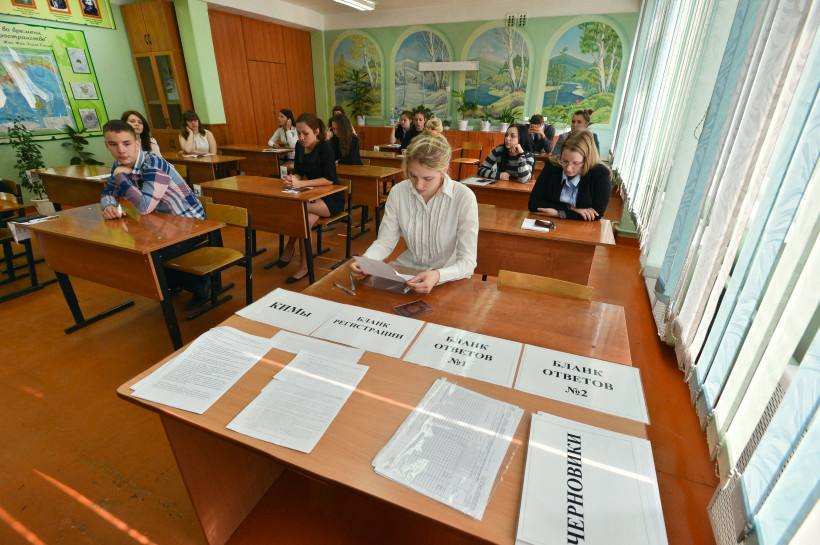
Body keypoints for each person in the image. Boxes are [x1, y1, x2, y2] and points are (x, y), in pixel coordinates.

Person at [350, 133, 478, 294]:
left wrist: (438, 275)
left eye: (428, 178)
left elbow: (467, 262)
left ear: (444, 169)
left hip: (448, 276)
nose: (418, 185)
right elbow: (385, 241)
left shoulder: (464, 197)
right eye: (413, 176)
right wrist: (367, 261)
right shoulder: (398, 192)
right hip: (406, 271)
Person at [99, 120, 208, 304]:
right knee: (140, 248)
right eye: (113, 144)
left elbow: (144, 206)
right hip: (160, 220)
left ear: (137, 143)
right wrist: (109, 205)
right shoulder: (119, 165)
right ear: (107, 145)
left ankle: (200, 288)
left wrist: (120, 176)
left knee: (155, 253)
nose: (121, 150)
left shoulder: (153, 163)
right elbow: (108, 192)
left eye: (126, 143)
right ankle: (171, 284)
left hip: (190, 222)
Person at [278, 113, 345, 282]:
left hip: (331, 198)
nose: (301, 137)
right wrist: (293, 179)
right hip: (312, 195)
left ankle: (292, 249)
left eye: (305, 133)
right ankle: (304, 264)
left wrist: (300, 183)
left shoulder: (325, 148)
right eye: (298, 133)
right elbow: (300, 172)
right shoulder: (300, 146)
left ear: (316, 131)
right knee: (305, 219)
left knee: (299, 211)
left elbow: (329, 179)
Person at [529, 130, 610, 221]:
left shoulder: (600, 174)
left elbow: (596, 213)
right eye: (565, 161)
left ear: (587, 160)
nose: (568, 168)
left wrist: (559, 213)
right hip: (551, 223)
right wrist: (571, 209)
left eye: (575, 163)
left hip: (583, 227)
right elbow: (533, 204)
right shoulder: (552, 166)